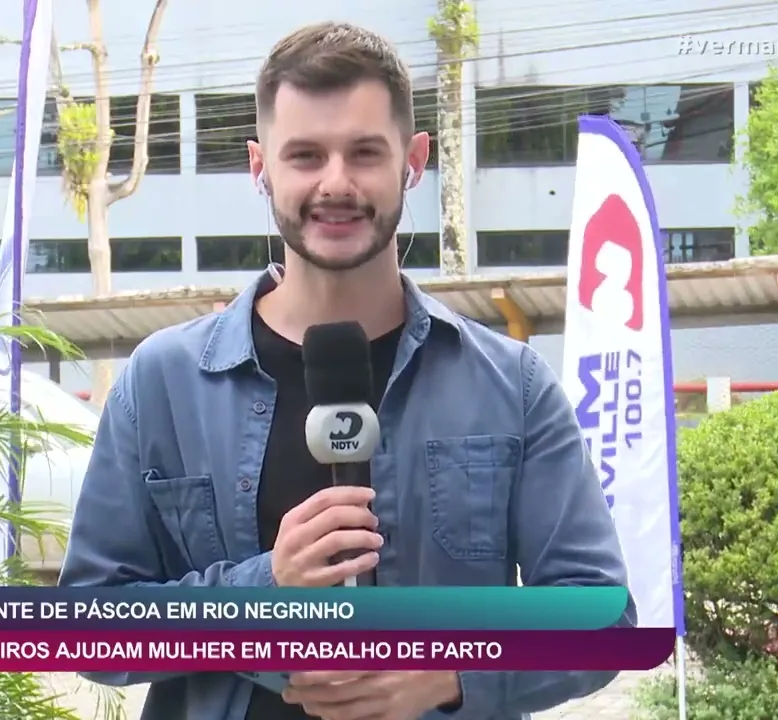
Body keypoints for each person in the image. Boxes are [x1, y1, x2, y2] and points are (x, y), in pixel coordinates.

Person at [59, 21, 634, 720]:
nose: (335, 182)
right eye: (305, 155)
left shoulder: (510, 384)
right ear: (260, 167)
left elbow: (602, 616)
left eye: (364, 153)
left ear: (412, 161)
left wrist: (451, 671)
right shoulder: (164, 383)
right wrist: (263, 587)